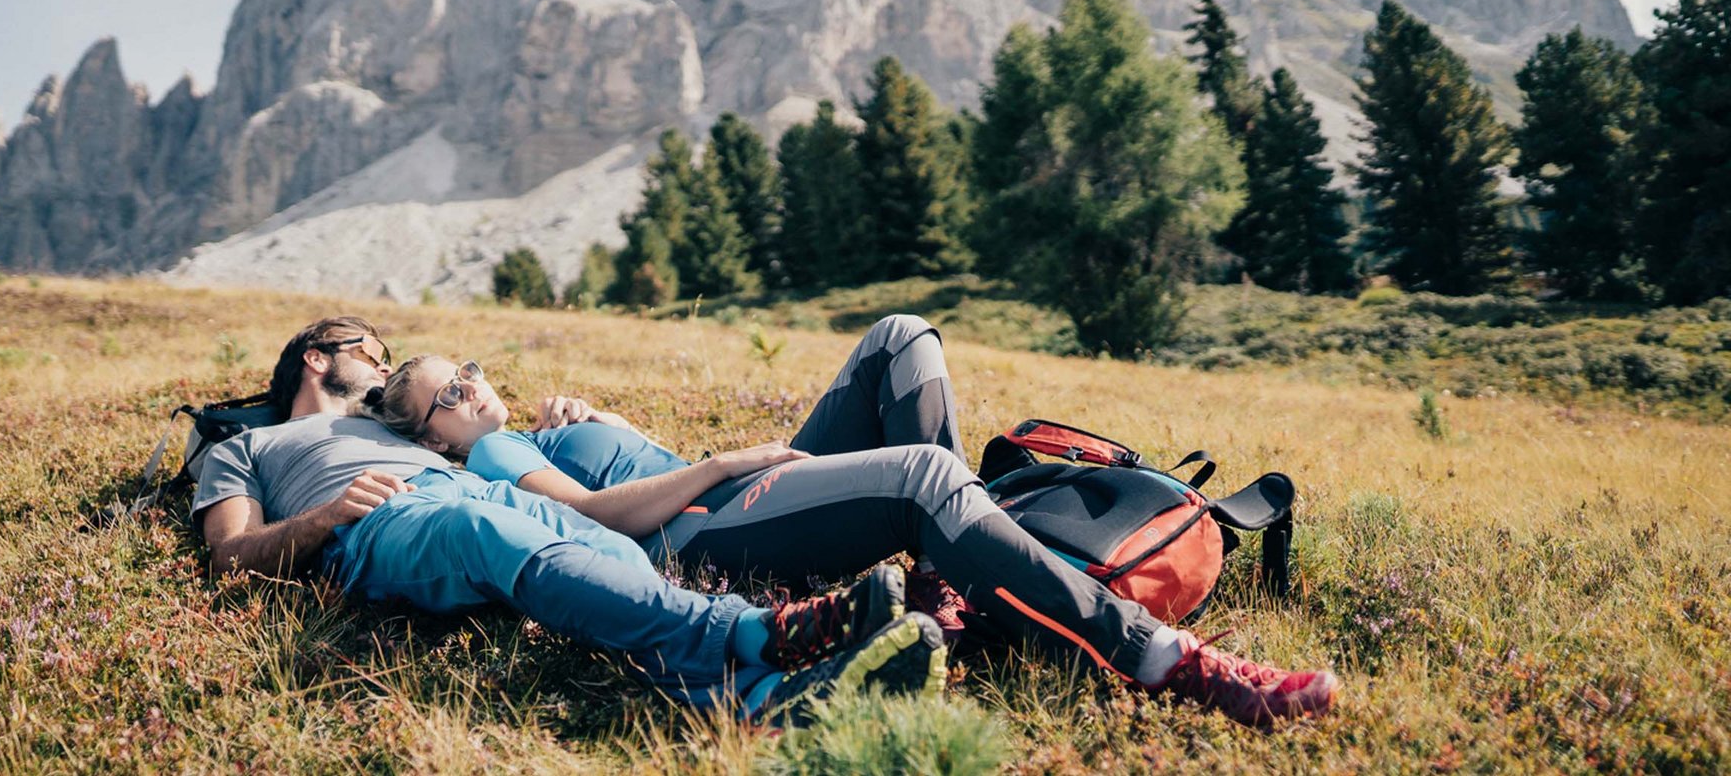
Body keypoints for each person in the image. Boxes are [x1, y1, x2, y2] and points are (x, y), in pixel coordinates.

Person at [363, 315, 1341, 729]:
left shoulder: (540, 429)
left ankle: (960, 571)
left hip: (729, 501)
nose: (474, 388)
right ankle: (1172, 662)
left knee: (898, 341)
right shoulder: (488, 457)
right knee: (921, 474)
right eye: (449, 392)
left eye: (474, 370)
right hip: (697, 538)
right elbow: (591, 523)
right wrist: (723, 458)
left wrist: (613, 426)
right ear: (430, 433)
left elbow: (614, 469)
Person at [190, 316, 948, 727]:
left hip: (477, 496)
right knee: (479, 535)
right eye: (372, 355)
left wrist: (583, 422)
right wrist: (324, 517)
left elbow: (505, 449)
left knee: (601, 553)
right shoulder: (249, 446)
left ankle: (754, 699)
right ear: (320, 358)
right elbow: (229, 556)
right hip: (387, 517)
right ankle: (750, 634)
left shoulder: (408, 428)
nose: (385, 371)